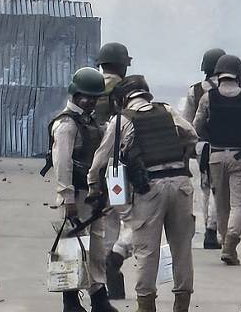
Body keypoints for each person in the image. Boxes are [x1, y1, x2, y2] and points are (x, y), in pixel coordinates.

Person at [88, 75, 197, 312]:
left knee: (147, 252)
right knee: (182, 249)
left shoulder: (121, 120)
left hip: (149, 190)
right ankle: (182, 306)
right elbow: (191, 134)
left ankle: (146, 306)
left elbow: (101, 158)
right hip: (181, 185)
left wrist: (93, 184)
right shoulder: (167, 110)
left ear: (124, 98)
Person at [45, 68, 117, 312]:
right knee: (71, 248)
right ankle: (70, 300)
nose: (89, 101)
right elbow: (62, 162)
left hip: (93, 195)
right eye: (84, 96)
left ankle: (98, 296)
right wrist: (67, 197)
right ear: (75, 93)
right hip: (76, 195)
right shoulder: (66, 124)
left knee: (96, 246)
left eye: (93, 97)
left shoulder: (92, 121)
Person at [191, 54, 241, 265]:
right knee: (239, 203)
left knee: (222, 204)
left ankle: (225, 241)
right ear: (238, 74)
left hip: (215, 156)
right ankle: (231, 242)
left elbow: (196, 127)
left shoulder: (208, 97)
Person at [95, 42, 132, 300]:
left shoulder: (88, 86)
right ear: (122, 66)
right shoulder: (128, 90)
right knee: (132, 220)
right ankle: (114, 258)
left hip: (93, 169)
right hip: (119, 170)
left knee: (105, 219)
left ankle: (104, 274)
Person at [184, 48, 225, 251]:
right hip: (226, 147)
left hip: (202, 147)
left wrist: (189, 148)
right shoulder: (234, 89)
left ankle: (209, 227)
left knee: (205, 188)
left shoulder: (195, 90)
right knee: (220, 191)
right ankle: (212, 230)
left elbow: (187, 124)